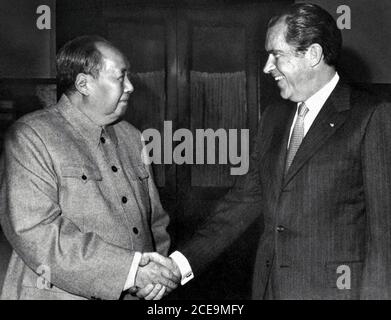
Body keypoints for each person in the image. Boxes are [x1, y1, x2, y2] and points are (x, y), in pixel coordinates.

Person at [145, 3, 391, 299]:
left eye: (277, 55)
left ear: (312, 54)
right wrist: (178, 265)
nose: (267, 67)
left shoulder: (370, 116)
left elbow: (384, 235)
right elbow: (241, 203)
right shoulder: (273, 119)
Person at [0, 35, 192, 300]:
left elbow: (154, 223)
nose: (131, 87)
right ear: (84, 84)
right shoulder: (31, 137)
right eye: (120, 77)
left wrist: (156, 278)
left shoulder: (133, 137)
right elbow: (36, 233)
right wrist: (130, 272)